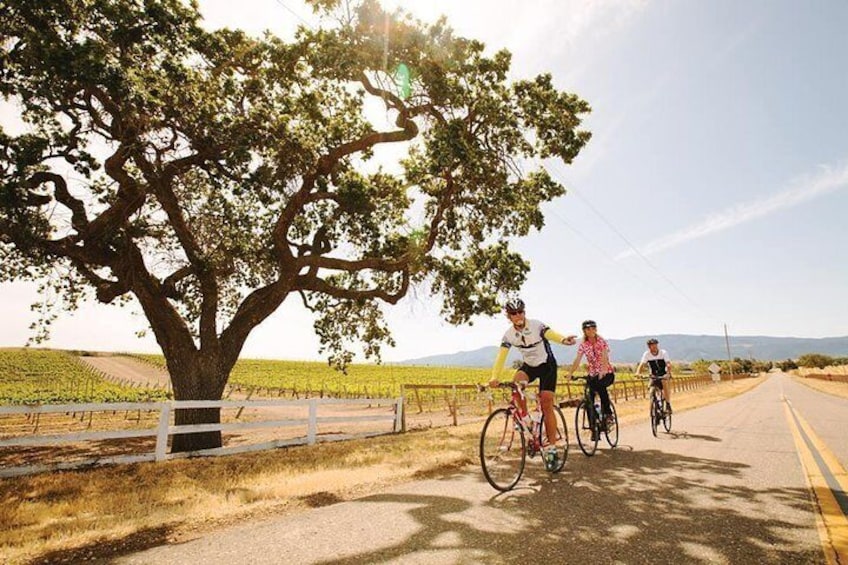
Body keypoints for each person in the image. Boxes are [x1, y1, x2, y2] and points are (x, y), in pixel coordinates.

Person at [489, 297, 576, 470]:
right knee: (516, 385)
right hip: (529, 366)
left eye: (520, 311)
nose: (517, 315)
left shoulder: (536, 326)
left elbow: (551, 334)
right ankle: (526, 420)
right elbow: (501, 357)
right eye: (513, 313)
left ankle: (552, 448)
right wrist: (494, 377)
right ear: (508, 316)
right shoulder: (508, 335)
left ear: (524, 312)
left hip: (547, 366)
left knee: (546, 403)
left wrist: (564, 340)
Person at [567, 320, 615, 429]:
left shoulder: (601, 341)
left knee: (601, 387)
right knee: (589, 399)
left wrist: (603, 370)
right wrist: (570, 373)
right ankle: (593, 426)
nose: (591, 330)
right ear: (584, 331)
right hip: (593, 374)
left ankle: (608, 414)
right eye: (588, 328)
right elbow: (577, 360)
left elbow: (604, 356)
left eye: (593, 328)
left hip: (607, 373)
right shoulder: (583, 345)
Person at [635, 338, 673, 413]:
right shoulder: (647, 354)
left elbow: (668, 364)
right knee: (650, 387)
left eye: (655, 345)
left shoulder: (663, 353)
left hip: (663, 374)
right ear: (649, 347)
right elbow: (642, 364)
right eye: (651, 346)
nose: (654, 347)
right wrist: (638, 373)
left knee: (664, 384)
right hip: (653, 375)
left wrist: (668, 373)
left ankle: (668, 405)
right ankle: (654, 404)